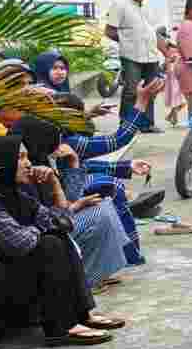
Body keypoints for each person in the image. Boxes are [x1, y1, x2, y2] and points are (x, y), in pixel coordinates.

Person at [0, 137, 126, 345]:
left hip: (20, 280)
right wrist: (44, 227)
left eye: (27, 156)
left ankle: (82, 315)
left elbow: (65, 223)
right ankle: (59, 327)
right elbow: (19, 242)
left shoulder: (18, 196)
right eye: (19, 157)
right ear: (1, 163)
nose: (29, 163)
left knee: (59, 237)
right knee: (49, 244)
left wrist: (55, 184)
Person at [53, 78, 168, 263]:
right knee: (111, 187)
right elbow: (119, 139)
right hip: (64, 197)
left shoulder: (58, 133)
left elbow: (81, 167)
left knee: (110, 183)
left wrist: (125, 167)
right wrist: (142, 101)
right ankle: (129, 255)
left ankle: (128, 252)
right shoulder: (71, 142)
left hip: (67, 184)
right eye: (79, 116)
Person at [11, 116, 130, 292]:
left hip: (56, 221)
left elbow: (69, 198)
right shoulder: (26, 172)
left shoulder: (41, 161)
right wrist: (75, 204)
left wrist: (73, 161)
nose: (57, 148)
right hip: (45, 233)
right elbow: (56, 213)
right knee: (99, 215)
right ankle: (87, 280)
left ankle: (100, 272)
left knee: (104, 205)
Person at [105, 0, 164, 132]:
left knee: (150, 89)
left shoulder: (147, 8)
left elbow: (153, 31)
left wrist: (166, 49)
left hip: (151, 55)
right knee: (131, 90)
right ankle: (125, 124)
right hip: (131, 56)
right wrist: (127, 42)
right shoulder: (120, 6)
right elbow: (109, 31)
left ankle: (147, 124)